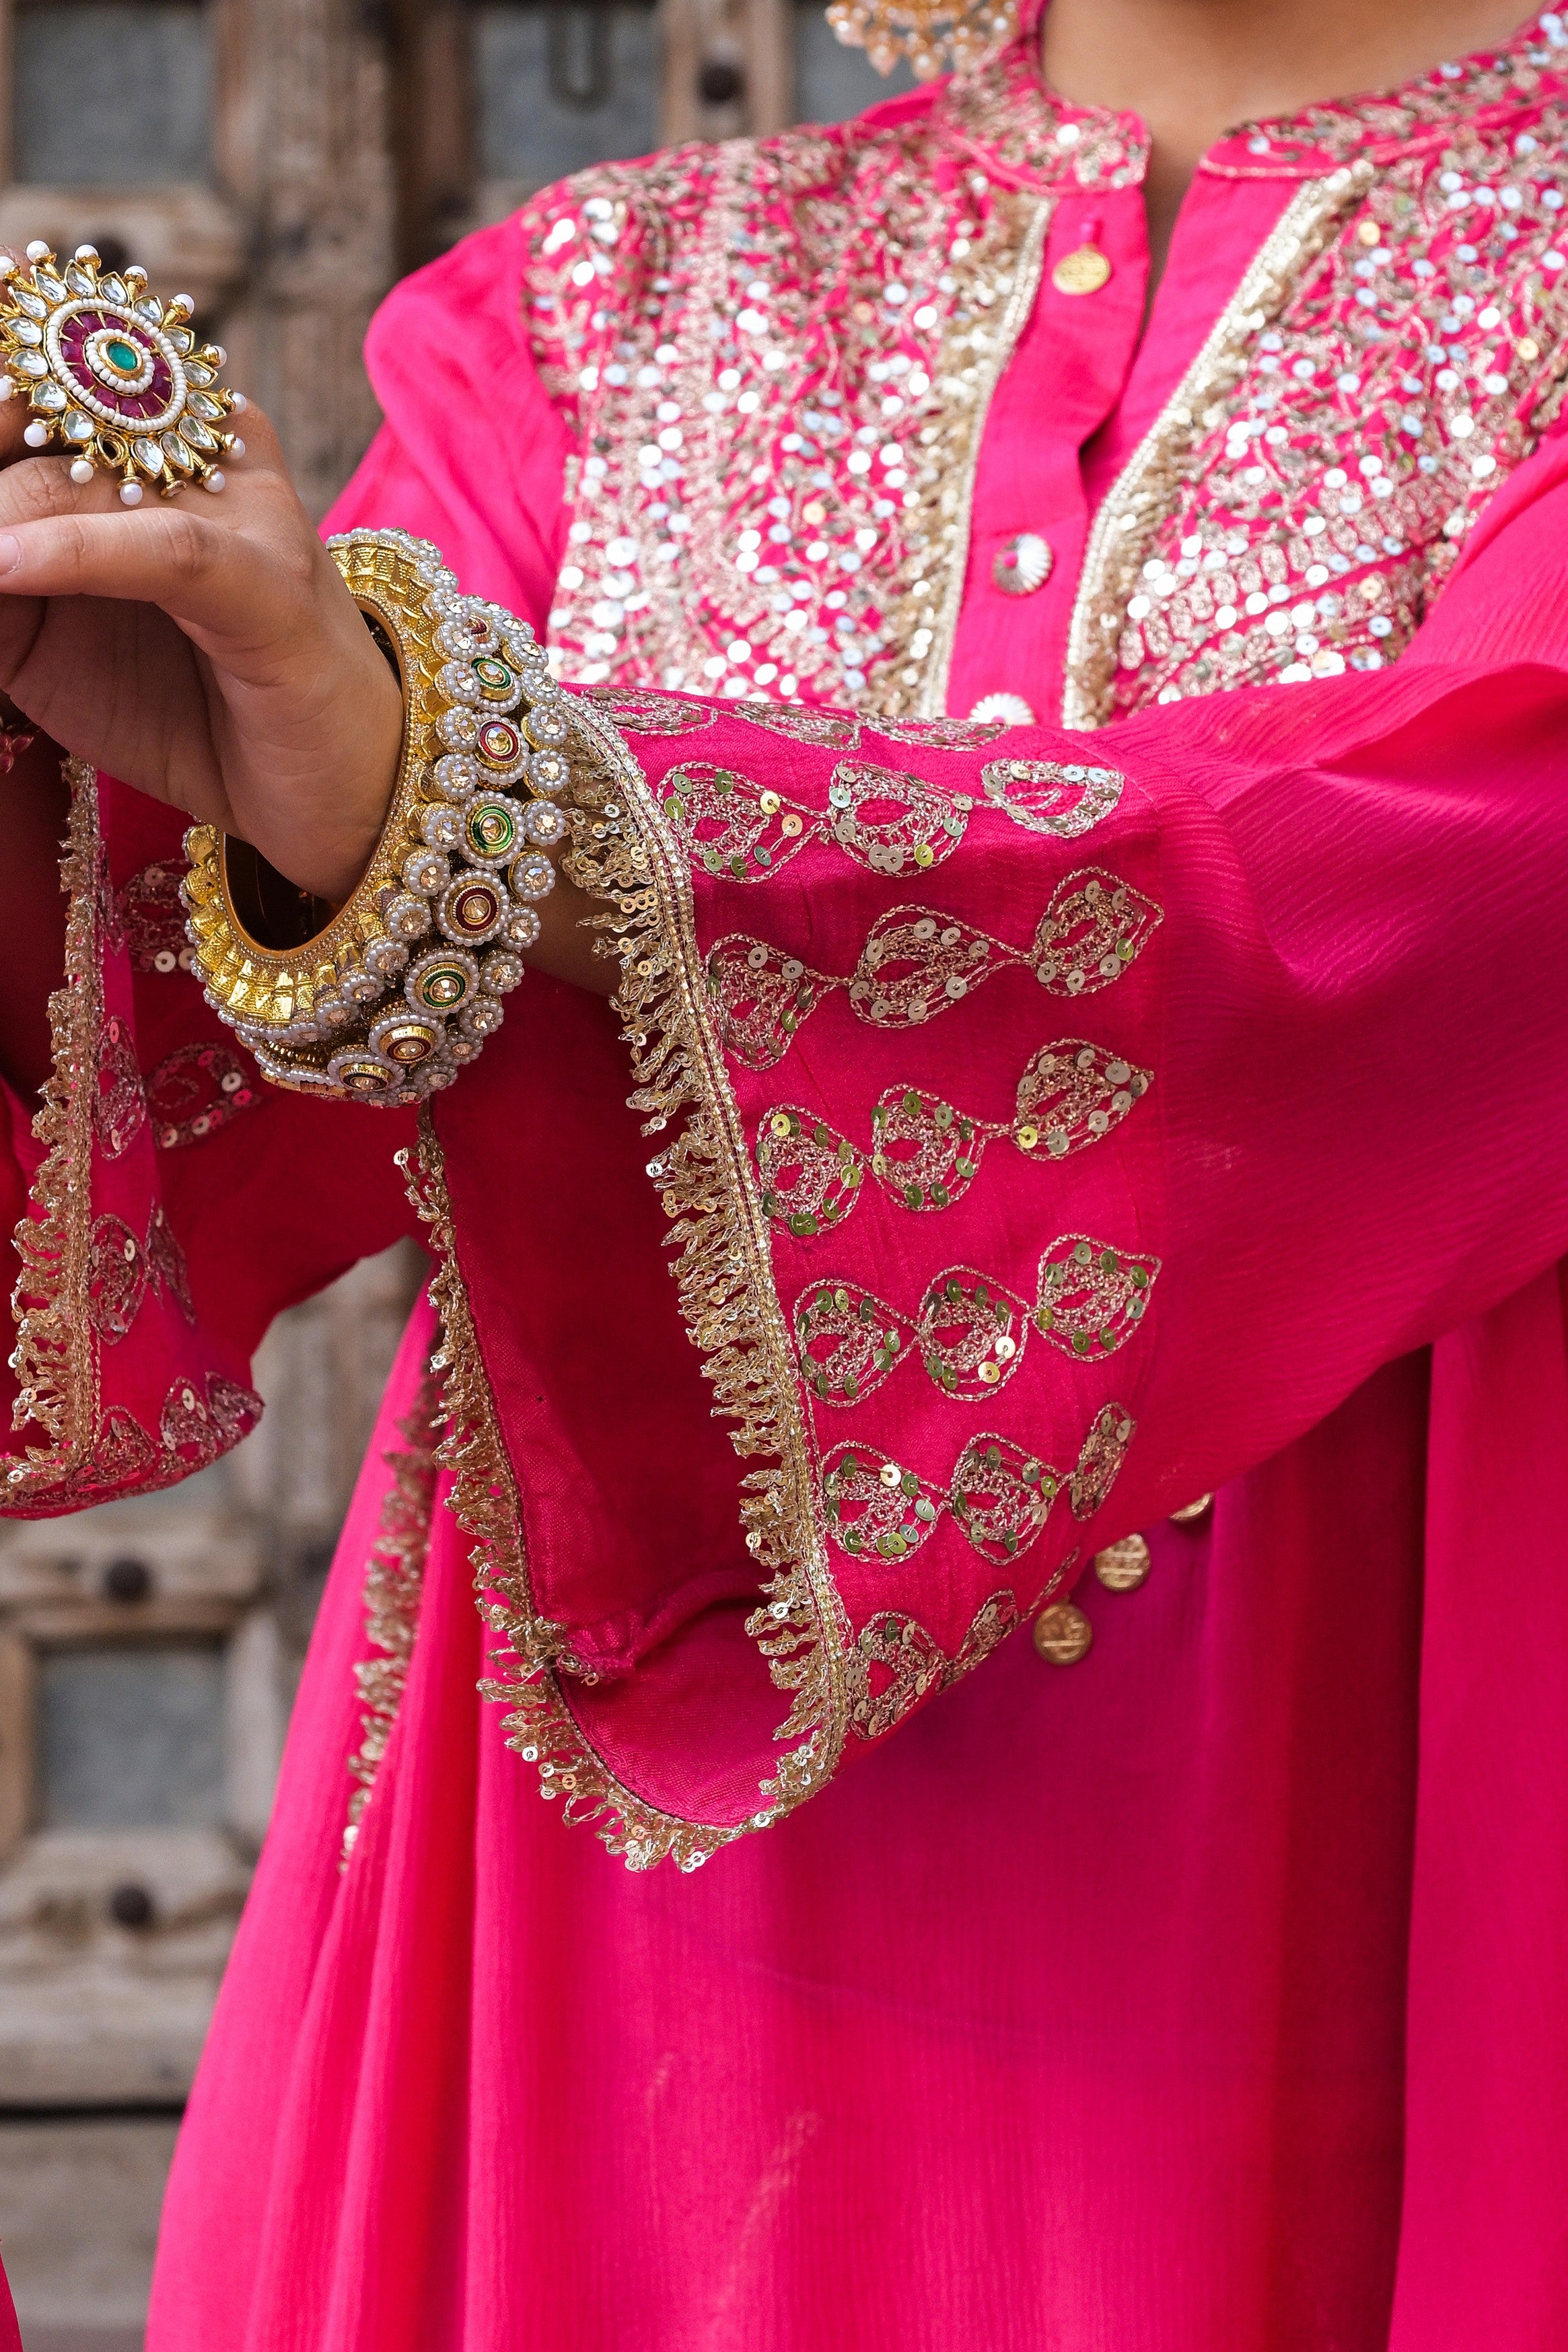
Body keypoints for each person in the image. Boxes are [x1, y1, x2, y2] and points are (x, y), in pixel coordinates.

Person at [0, 0, 1564, 2342]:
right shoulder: (600, 312)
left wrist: (466, 804)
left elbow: (1462, 885)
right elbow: (212, 1080)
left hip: (1352, 1841)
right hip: (600, 1913)